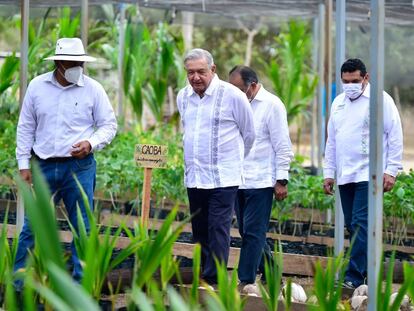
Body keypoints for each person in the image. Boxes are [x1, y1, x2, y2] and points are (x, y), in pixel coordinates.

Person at [15, 37, 117, 285]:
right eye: (72, 62)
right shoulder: (37, 87)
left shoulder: (93, 89)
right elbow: (26, 126)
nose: (77, 68)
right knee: (31, 226)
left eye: (80, 63)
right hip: (43, 165)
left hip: (79, 167)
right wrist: (23, 164)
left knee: (82, 227)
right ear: (59, 63)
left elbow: (109, 125)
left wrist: (90, 143)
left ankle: (78, 287)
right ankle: (18, 285)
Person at [177, 49, 255, 285]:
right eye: (190, 72)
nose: (195, 77)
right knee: (200, 230)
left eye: (201, 71)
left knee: (218, 229)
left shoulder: (233, 96)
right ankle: (204, 274)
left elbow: (249, 134)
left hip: (223, 178)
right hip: (195, 176)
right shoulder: (183, 97)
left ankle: (214, 281)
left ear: (212, 70)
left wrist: (233, 161)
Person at [323, 58, 403, 289]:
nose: (350, 85)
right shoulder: (338, 102)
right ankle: (367, 273)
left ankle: (352, 277)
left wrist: (391, 170)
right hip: (345, 174)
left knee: (360, 223)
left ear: (366, 78)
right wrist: (329, 172)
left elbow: (395, 134)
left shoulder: (381, 100)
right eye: (345, 81)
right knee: (353, 225)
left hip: (370, 174)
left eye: (355, 81)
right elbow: (332, 141)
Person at [229, 66, 293, 294]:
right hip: (238, 178)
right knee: (247, 232)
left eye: (238, 88)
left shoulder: (272, 105)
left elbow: (282, 145)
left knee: (254, 232)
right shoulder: (236, 104)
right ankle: (273, 274)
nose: (234, 93)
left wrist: (281, 180)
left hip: (262, 180)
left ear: (253, 85)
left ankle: (245, 280)